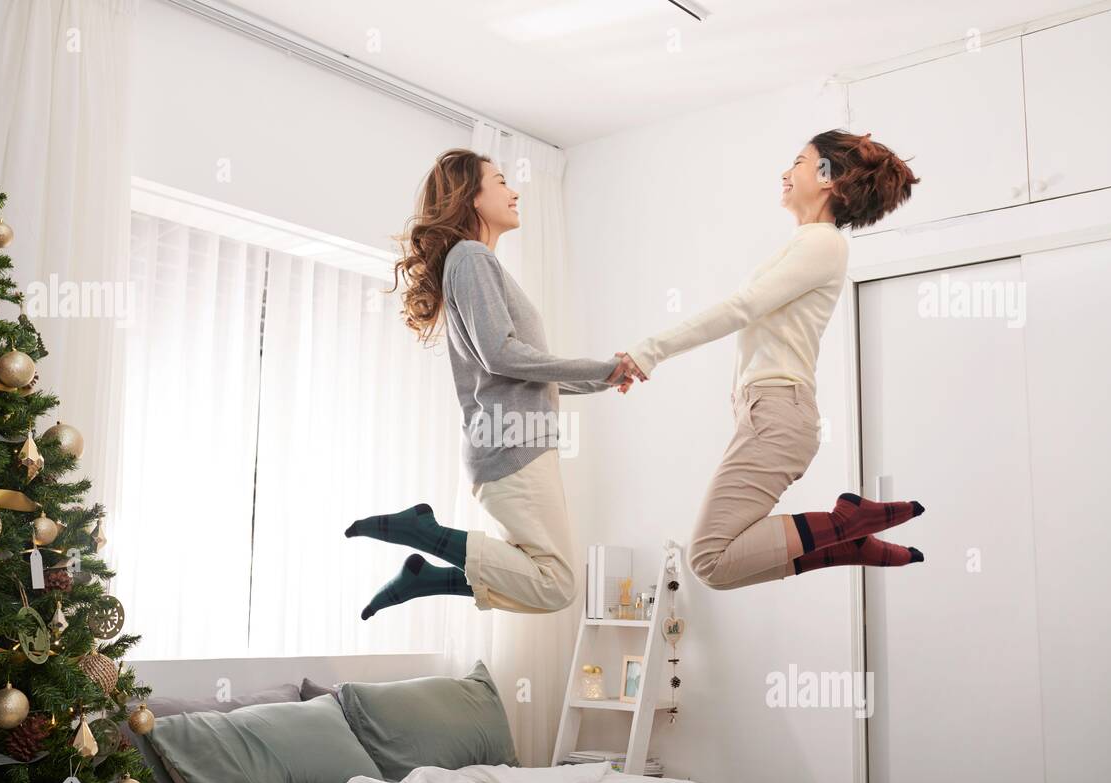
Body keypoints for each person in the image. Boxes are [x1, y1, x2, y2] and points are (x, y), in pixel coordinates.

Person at [615, 131, 926, 589]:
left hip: (778, 410)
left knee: (708, 560)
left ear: (826, 177)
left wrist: (650, 351)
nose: (785, 172)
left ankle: (844, 524)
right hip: (769, 412)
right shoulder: (810, 243)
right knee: (717, 566)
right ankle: (844, 541)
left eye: (798, 161)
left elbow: (742, 307)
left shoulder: (822, 243)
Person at [345, 148, 635, 619]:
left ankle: (427, 574)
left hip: (513, 441)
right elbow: (501, 355)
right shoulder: (472, 258)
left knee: (545, 580)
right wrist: (600, 368)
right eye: (501, 181)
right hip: (512, 443)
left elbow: (525, 370)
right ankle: (424, 535)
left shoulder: (473, 263)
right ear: (472, 198)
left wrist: (605, 376)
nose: (514, 190)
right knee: (556, 585)